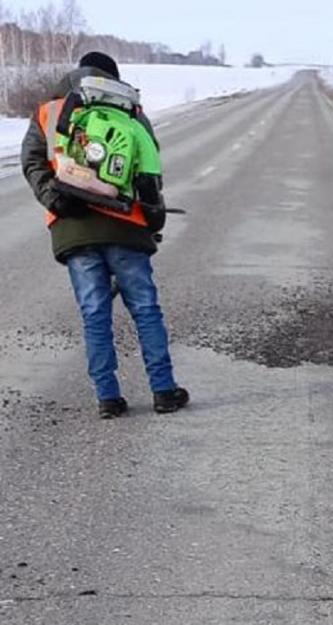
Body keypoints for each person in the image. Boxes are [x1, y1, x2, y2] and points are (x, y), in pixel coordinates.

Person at [22, 52, 189, 419]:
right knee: (145, 310)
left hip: (73, 227)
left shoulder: (49, 111)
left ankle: (108, 399)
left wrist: (55, 198)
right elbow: (149, 171)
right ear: (112, 77)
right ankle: (164, 391)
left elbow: (32, 162)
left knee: (93, 313)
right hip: (126, 225)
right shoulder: (129, 109)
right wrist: (153, 220)